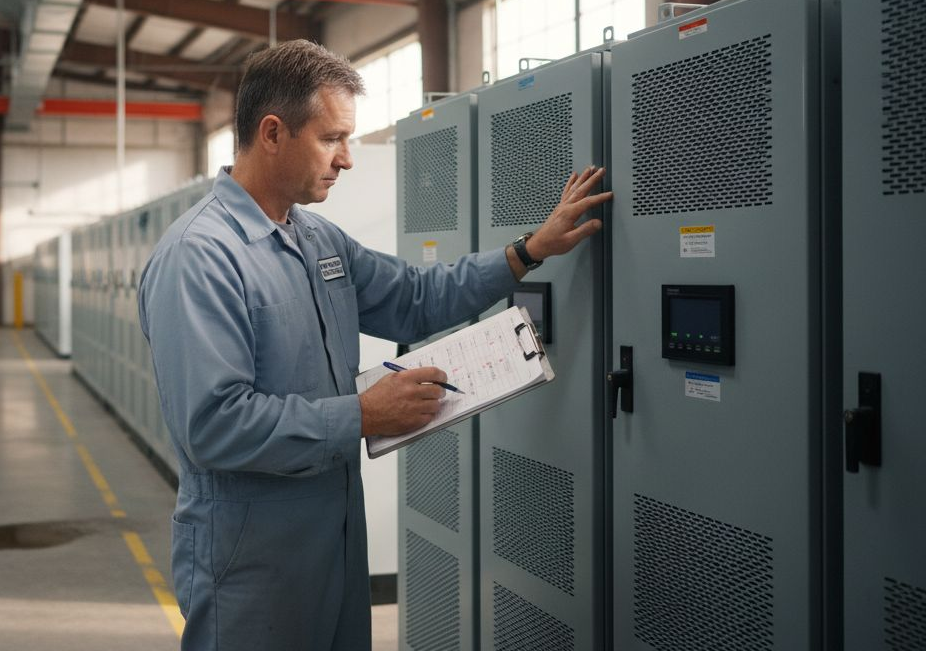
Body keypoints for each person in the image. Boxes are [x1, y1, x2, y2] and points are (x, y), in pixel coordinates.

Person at [137, 40, 610, 650]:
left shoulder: (316, 240)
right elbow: (213, 423)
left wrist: (528, 251)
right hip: (248, 555)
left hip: (332, 533)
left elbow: (415, 297)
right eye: (332, 138)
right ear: (273, 132)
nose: (347, 159)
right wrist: (362, 414)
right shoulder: (200, 257)